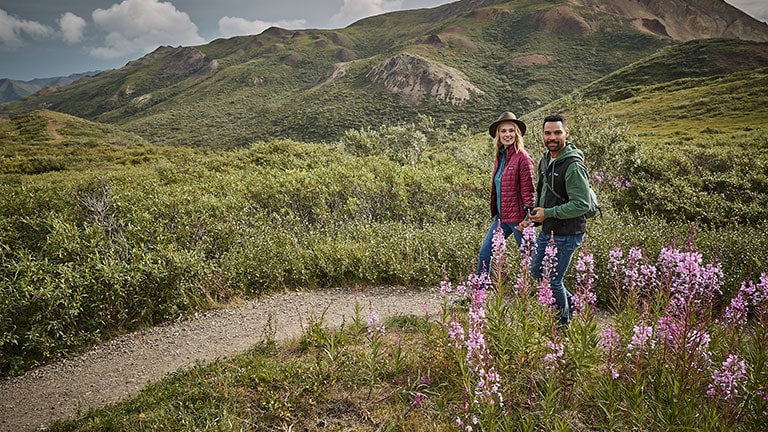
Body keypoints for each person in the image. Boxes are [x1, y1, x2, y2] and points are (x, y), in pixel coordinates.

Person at [526, 114, 591, 326]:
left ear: (566, 133)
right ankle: (573, 304)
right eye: (548, 133)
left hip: (568, 232)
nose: (552, 137)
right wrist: (534, 218)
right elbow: (544, 194)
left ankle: (562, 324)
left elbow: (582, 204)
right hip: (549, 230)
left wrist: (548, 213)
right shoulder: (546, 159)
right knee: (536, 271)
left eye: (557, 132)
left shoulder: (573, 165)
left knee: (553, 280)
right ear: (542, 135)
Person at [476, 111, 535, 275]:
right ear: (498, 135)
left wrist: (528, 219)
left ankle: (543, 290)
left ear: (517, 134)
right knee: (484, 253)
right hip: (502, 218)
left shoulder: (523, 157)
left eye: (511, 130)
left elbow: (529, 190)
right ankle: (478, 290)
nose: (507, 134)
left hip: (519, 219)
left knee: (530, 259)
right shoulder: (500, 157)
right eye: (503, 131)